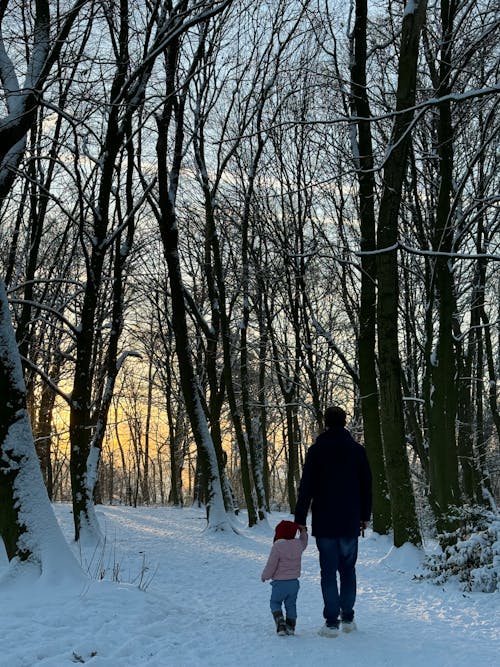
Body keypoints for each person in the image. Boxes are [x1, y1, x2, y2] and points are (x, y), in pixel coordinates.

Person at [294, 406, 372, 637]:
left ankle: (331, 623)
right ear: (345, 422)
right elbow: (366, 486)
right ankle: (347, 619)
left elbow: (306, 486)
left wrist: (300, 518)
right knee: (348, 570)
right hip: (349, 521)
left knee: (328, 572)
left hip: (325, 521)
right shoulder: (357, 450)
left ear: (325, 423)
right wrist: (365, 516)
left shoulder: (316, 451)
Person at [261, 520, 308, 636]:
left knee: (275, 602)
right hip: (294, 583)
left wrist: (265, 576)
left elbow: (271, 564)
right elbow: (304, 542)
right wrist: (303, 531)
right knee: (291, 604)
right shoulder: (298, 545)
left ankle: (280, 623)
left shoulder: (277, 546)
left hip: (279, 583)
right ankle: (291, 627)